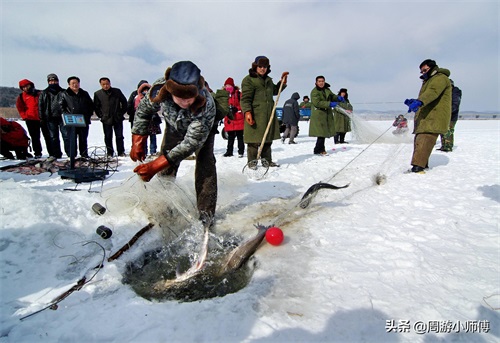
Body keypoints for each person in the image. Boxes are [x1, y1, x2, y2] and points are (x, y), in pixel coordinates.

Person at [130, 61, 217, 225]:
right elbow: (143, 112)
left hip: (202, 130)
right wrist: (138, 140)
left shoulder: (207, 104)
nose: (185, 103)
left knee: (206, 166)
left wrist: (155, 165)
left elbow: (191, 143)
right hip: (174, 126)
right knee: (166, 166)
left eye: (189, 98)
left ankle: (206, 215)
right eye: (180, 98)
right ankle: (164, 205)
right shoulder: (158, 90)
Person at [404, 59, 452, 173]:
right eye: (421, 72)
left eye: (425, 70)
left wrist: (420, 101)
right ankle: (421, 164)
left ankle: (418, 168)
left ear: (432, 68)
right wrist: (415, 101)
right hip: (426, 116)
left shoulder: (440, 78)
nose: (423, 73)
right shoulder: (429, 80)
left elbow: (433, 92)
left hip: (434, 116)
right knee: (420, 139)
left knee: (425, 138)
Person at [240, 56, 288, 167]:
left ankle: (267, 160)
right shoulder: (249, 80)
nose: (262, 69)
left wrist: (282, 82)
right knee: (253, 140)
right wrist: (247, 112)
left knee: (267, 139)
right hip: (255, 114)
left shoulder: (268, 80)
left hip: (268, 114)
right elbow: (245, 98)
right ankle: (252, 162)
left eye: (265, 67)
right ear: (255, 66)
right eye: (260, 66)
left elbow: (275, 91)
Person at [59, 76, 94, 158]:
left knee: (83, 138)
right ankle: (72, 155)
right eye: (73, 83)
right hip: (71, 120)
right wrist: (67, 115)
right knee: (71, 139)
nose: (75, 85)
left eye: (77, 83)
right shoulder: (64, 94)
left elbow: (90, 105)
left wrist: (88, 114)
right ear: (69, 84)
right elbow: (61, 106)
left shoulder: (84, 93)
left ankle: (84, 154)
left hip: (83, 120)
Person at [309, 76, 343, 155]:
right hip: (319, 115)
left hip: (326, 114)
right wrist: (329, 104)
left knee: (323, 133)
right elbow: (317, 103)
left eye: (322, 81)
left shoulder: (327, 90)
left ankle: (318, 149)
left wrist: (338, 98)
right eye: (319, 81)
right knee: (321, 133)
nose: (321, 83)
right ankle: (320, 149)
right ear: (316, 82)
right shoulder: (314, 92)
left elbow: (332, 96)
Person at [93, 77, 128, 157]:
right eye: (103, 84)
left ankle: (121, 152)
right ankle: (109, 152)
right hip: (106, 119)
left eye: (107, 84)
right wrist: (101, 116)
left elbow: (124, 103)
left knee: (119, 136)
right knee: (108, 137)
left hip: (117, 118)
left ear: (110, 83)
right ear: (100, 85)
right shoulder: (97, 94)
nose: (106, 86)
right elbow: (96, 107)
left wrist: (121, 113)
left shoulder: (117, 91)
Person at [16, 79, 48, 158]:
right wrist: (25, 116)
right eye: (23, 87)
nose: (25, 88)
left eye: (27, 86)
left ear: (31, 85)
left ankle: (53, 153)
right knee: (35, 137)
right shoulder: (21, 96)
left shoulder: (40, 93)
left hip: (43, 118)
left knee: (48, 136)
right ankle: (37, 153)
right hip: (31, 119)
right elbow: (20, 108)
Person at [38, 73, 68, 159]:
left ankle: (70, 153)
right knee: (53, 137)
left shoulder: (64, 92)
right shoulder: (44, 93)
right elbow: (41, 106)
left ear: (58, 81)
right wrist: (42, 118)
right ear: (48, 82)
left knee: (66, 136)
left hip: (62, 117)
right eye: (51, 81)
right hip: (50, 118)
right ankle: (56, 154)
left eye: (54, 80)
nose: (53, 82)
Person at [133, 82, 162, 157]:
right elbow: (136, 108)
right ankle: (144, 151)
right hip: (143, 121)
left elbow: (158, 106)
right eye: (144, 90)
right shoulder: (138, 98)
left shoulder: (154, 97)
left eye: (147, 90)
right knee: (143, 137)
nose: (145, 92)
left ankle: (153, 151)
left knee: (153, 136)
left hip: (153, 121)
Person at [222, 77, 244, 157]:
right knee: (230, 137)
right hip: (229, 118)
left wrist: (236, 109)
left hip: (238, 118)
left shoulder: (238, 94)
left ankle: (241, 151)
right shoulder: (223, 95)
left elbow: (243, 104)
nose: (228, 87)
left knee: (240, 136)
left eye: (229, 86)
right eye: (226, 86)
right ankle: (229, 151)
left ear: (233, 86)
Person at [438, 79, 462, 152]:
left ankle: (448, 146)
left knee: (449, 130)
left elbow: (455, 103)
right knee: (442, 130)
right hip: (444, 115)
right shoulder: (445, 93)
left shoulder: (455, 92)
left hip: (451, 116)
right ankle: (443, 145)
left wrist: (449, 112)